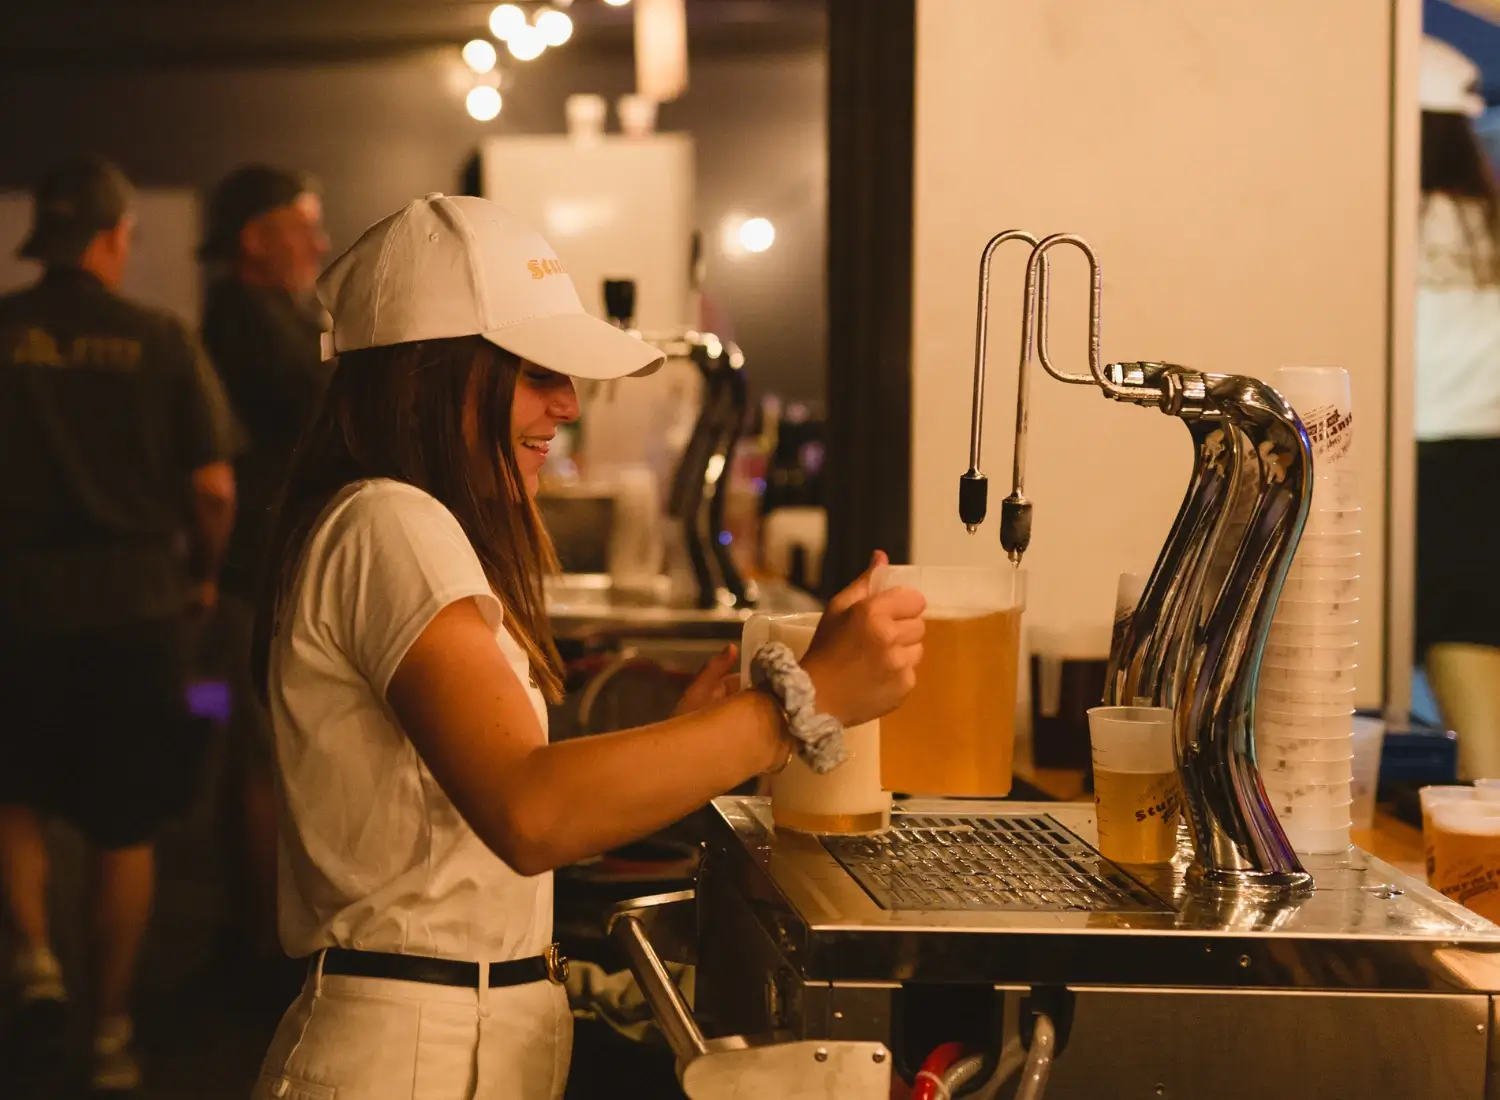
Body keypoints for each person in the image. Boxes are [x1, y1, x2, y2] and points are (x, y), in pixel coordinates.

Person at [248, 194, 924, 1100]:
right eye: (534, 373)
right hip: (409, 1053)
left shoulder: (391, 522)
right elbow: (532, 814)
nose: (565, 403)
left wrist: (687, 737)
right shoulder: (391, 523)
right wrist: (804, 705)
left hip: (448, 1038)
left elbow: (482, 817)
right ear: (427, 376)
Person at [0, 155, 237, 1094]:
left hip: (14, 605)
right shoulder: (163, 338)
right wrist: (201, 577)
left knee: (13, 793)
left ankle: (35, 963)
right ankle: (109, 1037)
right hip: (135, 607)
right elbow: (214, 492)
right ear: (114, 237)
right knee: (125, 825)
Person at [198, 165, 330, 967]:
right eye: (301, 225)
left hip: (270, 561)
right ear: (253, 238)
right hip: (259, 565)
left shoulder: (272, 312)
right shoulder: (243, 322)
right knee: (264, 762)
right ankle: (259, 944)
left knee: (266, 757)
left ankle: (256, 930)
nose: (318, 242)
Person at [1415, 37, 1500, 662]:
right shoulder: (1492, 222)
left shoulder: (1371, 219)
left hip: (1401, 459)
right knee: (1472, 656)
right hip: (1485, 464)